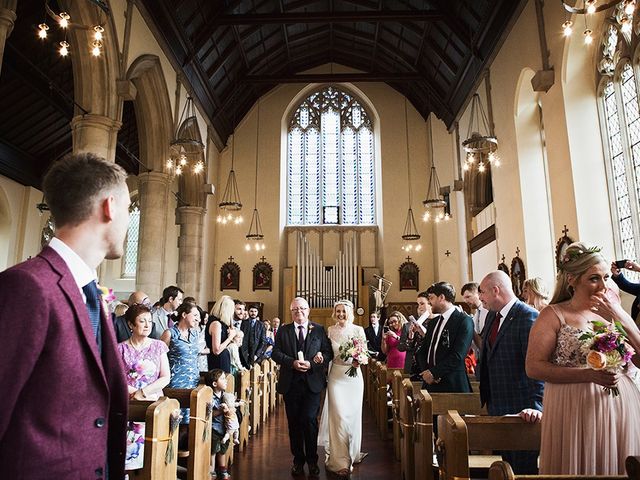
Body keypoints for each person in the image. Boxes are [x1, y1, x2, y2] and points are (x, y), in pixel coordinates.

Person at [0, 153, 130, 479]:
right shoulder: (28, 286)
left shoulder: (90, 293)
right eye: (128, 210)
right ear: (110, 207)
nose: (127, 222)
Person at [526, 243, 640, 474]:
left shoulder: (613, 312)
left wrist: (620, 315)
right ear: (572, 279)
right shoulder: (554, 314)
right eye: (594, 278)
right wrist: (587, 374)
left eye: (606, 277)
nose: (603, 285)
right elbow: (534, 367)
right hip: (574, 406)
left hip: (621, 406)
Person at [478, 270, 544, 474]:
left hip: (522, 408)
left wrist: (536, 406)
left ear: (495, 290)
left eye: (482, 292)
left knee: (523, 468)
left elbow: (537, 365)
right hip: (497, 403)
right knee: (506, 465)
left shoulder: (528, 317)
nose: (480, 298)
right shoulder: (491, 316)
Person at [272, 297, 333, 477]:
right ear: (291, 312)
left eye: (302, 308)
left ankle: (313, 461)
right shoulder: (283, 330)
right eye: (295, 309)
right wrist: (291, 363)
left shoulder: (319, 330)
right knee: (294, 424)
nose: (299, 312)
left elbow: (327, 353)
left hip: (312, 384)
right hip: (290, 384)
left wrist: (314, 363)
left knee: (309, 420)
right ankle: (298, 461)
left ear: (308, 310)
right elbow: (275, 353)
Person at [117, 304, 170, 470]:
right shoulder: (120, 348)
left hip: (153, 400)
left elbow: (165, 377)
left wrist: (144, 392)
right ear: (131, 324)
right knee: (128, 452)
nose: (147, 325)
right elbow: (116, 378)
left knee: (152, 453)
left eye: (150, 321)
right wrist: (134, 393)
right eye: (142, 321)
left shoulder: (158, 346)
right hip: (129, 401)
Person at [318, 299, 369, 478]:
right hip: (336, 377)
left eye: (343, 311)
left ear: (350, 312)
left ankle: (352, 453)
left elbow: (365, 354)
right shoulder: (330, 330)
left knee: (352, 417)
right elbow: (327, 352)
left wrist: (359, 359)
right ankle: (340, 460)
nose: (340, 314)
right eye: (338, 311)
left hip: (353, 378)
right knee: (338, 417)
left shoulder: (358, 330)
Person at [415, 282, 474, 392]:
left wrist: (435, 373)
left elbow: (458, 355)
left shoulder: (464, 321)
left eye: (431, 298)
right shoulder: (434, 322)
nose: (429, 302)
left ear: (441, 297)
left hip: (452, 384)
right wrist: (427, 372)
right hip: (430, 384)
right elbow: (423, 351)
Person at [204, 369, 232, 480]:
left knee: (223, 449)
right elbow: (209, 414)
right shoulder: (210, 397)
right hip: (214, 428)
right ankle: (211, 471)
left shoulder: (224, 395)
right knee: (213, 450)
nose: (226, 381)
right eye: (223, 379)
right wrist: (221, 411)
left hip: (224, 428)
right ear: (215, 384)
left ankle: (222, 470)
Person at [398, 291, 432, 373]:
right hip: (412, 368)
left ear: (431, 304)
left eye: (422, 304)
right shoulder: (408, 325)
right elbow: (401, 347)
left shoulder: (436, 323)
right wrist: (410, 338)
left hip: (429, 367)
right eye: (418, 304)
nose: (419, 307)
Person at [206, 295, 238, 374]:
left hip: (222, 358)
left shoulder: (221, 323)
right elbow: (216, 350)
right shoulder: (216, 324)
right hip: (218, 361)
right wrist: (230, 337)